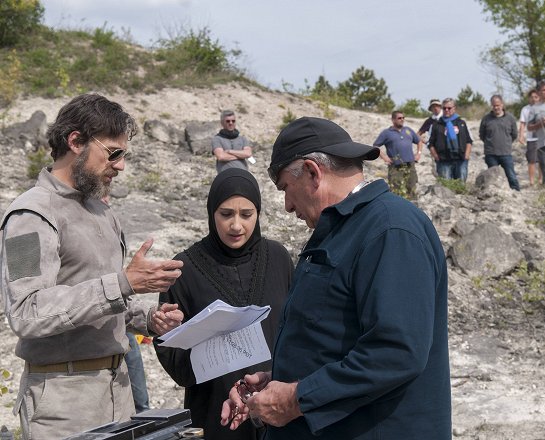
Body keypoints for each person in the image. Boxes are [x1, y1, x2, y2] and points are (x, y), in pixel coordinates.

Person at [221, 117, 452, 439]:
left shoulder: (391, 230)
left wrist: (298, 398)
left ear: (313, 172)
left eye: (286, 188)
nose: (287, 206)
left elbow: (396, 352)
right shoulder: (343, 228)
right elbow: (336, 338)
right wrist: (280, 379)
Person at [0, 93, 184, 439]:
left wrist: (147, 318)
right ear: (76, 141)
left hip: (119, 392)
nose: (120, 165)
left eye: (124, 155)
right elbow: (26, 312)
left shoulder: (103, 212)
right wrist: (122, 283)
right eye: (113, 153)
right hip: (63, 403)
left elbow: (105, 298)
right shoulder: (30, 215)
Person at [154, 168, 293, 440]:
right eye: (226, 214)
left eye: (246, 214)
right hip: (217, 415)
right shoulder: (185, 270)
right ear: (211, 213)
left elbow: (297, 330)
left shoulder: (278, 258)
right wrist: (165, 329)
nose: (236, 226)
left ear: (259, 213)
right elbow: (174, 357)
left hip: (279, 412)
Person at [373, 111, 422, 199]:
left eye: (403, 118)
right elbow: (376, 146)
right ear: (393, 120)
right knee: (396, 190)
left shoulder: (408, 130)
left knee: (412, 187)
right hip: (396, 166)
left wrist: (418, 154)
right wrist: (385, 157)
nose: (402, 120)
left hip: (410, 165)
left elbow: (419, 141)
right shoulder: (386, 133)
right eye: (399, 118)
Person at [479, 94, 520, 191]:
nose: (496, 107)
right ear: (491, 106)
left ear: (502, 104)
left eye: (498, 105)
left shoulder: (510, 118)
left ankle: (516, 192)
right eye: (494, 105)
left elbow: (514, 134)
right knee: (492, 177)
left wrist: (506, 142)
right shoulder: (486, 119)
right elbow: (482, 135)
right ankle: (495, 193)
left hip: (506, 153)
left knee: (511, 175)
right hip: (491, 153)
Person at [428, 98, 473, 181]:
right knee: (446, 187)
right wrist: (436, 156)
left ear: (454, 108)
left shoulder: (461, 123)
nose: (446, 110)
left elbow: (469, 141)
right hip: (443, 160)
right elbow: (430, 143)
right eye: (444, 108)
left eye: (449, 108)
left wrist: (466, 155)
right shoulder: (436, 124)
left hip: (461, 159)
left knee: (461, 186)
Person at [518, 89, 542, 186]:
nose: (534, 99)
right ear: (529, 98)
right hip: (531, 138)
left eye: (536, 97)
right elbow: (522, 124)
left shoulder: (543, 108)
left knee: (542, 160)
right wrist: (521, 136)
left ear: (539, 97)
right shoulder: (525, 109)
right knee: (531, 160)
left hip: (542, 138)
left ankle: (541, 180)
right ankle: (532, 181)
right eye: (532, 97)